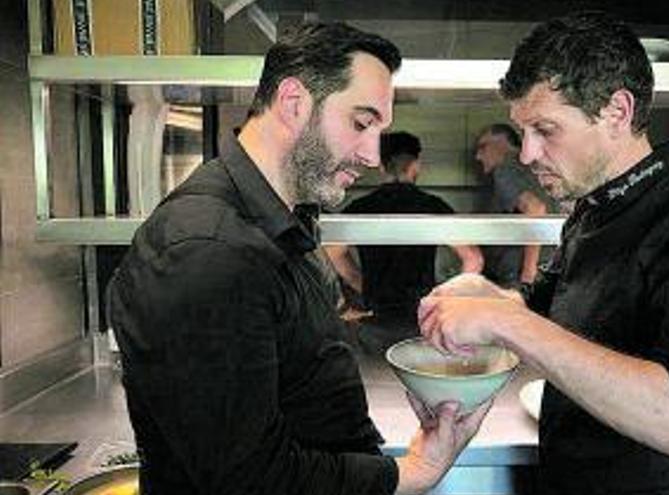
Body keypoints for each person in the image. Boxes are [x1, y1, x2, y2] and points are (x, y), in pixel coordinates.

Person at [107, 22, 489, 495]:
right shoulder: (207, 251)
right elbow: (245, 480)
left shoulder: (287, 221)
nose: (372, 155)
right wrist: (409, 474)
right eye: (361, 122)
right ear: (293, 103)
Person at [418, 12, 669, 495]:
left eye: (545, 129)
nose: (527, 154)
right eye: (523, 132)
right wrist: (487, 295)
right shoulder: (593, 207)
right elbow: (549, 307)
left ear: (617, 112)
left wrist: (504, 322)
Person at [326, 131, 483, 354]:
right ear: (416, 166)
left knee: (377, 384)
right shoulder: (432, 206)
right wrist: (443, 299)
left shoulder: (361, 207)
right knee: (418, 381)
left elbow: (332, 253)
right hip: (423, 322)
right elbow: (473, 259)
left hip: (374, 321)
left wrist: (362, 283)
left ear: (381, 167)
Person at [474, 123, 559, 288]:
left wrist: (529, 273)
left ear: (502, 143)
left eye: (482, 147)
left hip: (520, 275)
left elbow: (536, 209)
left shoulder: (505, 171)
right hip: (550, 269)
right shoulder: (538, 169)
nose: (478, 156)